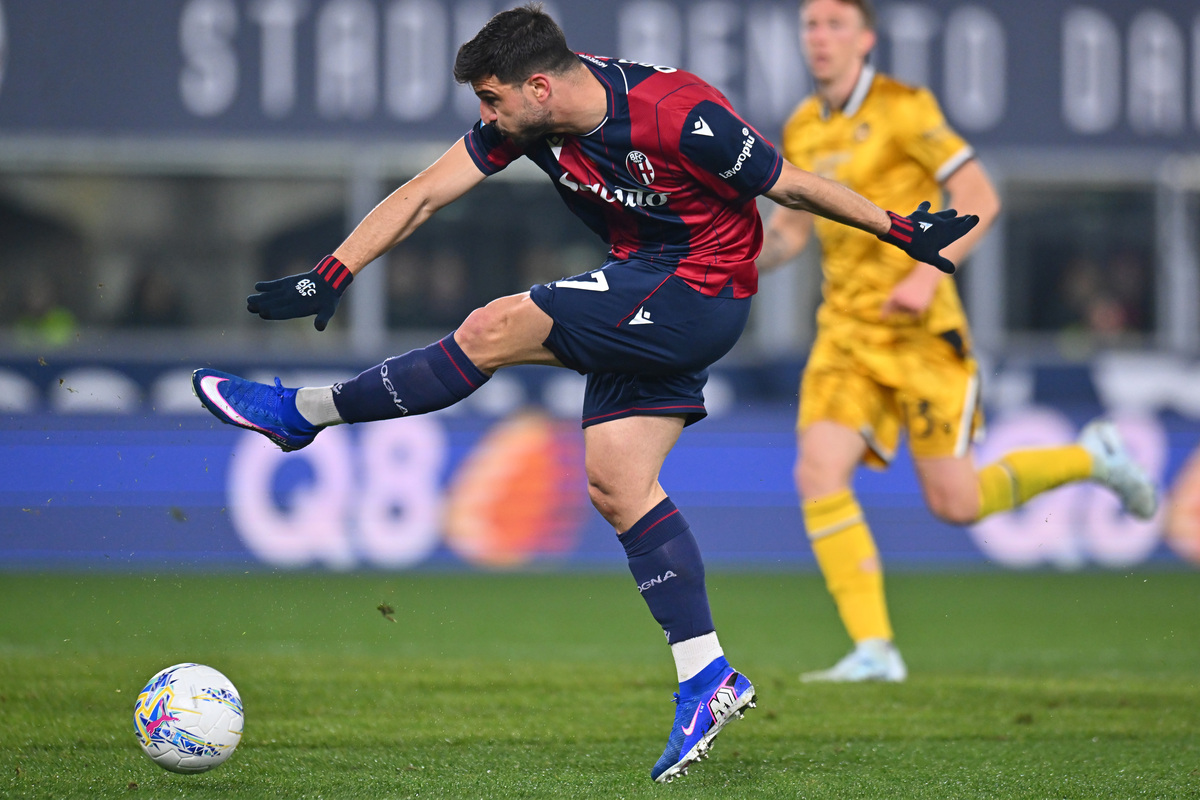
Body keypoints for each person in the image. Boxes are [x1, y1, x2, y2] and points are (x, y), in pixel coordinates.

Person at [191, 3, 977, 781]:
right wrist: (332, 272)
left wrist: (900, 231)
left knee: (495, 326)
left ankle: (302, 414)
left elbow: (792, 186)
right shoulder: (524, 125)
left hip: (699, 291)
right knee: (616, 481)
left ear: (539, 88)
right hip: (646, 282)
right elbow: (425, 193)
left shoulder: (679, 114)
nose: (485, 116)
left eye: (492, 99)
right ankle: (708, 677)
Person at [756, 0, 1158, 684]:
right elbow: (791, 232)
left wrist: (920, 276)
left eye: (834, 25)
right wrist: (730, 257)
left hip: (920, 333)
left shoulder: (906, 108)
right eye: (810, 25)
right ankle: (876, 650)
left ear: (865, 38)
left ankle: (1090, 458)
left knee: (956, 503)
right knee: (817, 471)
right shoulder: (801, 126)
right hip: (846, 335)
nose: (819, 39)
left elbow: (980, 195)